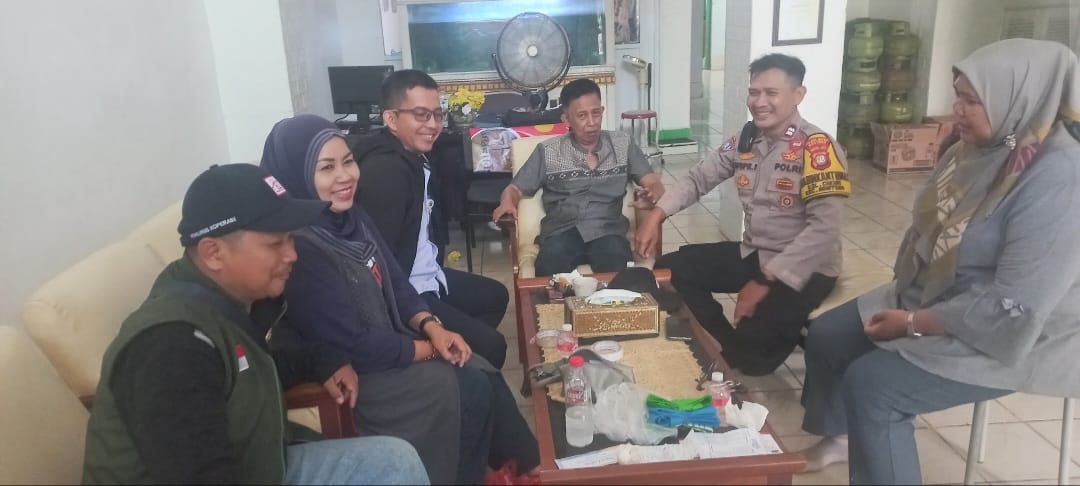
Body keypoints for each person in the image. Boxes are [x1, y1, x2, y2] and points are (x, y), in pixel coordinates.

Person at [798, 39, 1080, 485]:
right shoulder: (978, 148)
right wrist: (912, 302)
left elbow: (1016, 303)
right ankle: (843, 438)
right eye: (957, 96)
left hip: (1019, 330)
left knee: (874, 387)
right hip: (938, 292)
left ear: (1018, 98)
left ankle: (872, 433)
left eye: (972, 100)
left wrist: (914, 322)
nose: (957, 110)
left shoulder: (1059, 178)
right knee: (828, 336)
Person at [81, 163, 428, 485]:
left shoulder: (225, 300)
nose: (292, 255)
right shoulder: (171, 349)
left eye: (291, 238)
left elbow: (240, 373)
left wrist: (319, 359)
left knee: (396, 462)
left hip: (259, 461)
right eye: (275, 243)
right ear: (213, 253)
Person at [260, 114, 540, 484]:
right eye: (327, 168)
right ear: (296, 175)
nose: (344, 176)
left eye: (348, 162)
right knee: (467, 388)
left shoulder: (353, 218)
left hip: (387, 346)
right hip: (357, 376)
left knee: (481, 368)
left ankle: (527, 468)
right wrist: (431, 349)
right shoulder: (301, 248)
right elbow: (354, 346)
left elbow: (396, 281)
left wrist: (432, 326)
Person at [636, 53, 846, 376]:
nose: (759, 102)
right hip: (755, 252)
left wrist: (763, 283)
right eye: (753, 92)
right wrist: (656, 216)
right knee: (672, 271)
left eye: (771, 93)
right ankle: (730, 343)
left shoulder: (817, 148)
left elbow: (825, 231)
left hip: (804, 267)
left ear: (798, 95)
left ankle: (753, 343)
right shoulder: (746, 141)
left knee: (754, 364)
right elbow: (698, 179)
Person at [352, 69, 510, 369]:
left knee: (495, 296)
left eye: (438, 115)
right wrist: (422, 319)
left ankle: (454, 363)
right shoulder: (386, 173)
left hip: (427, 274)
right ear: (391, 119)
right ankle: (448, 365)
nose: (433, 125)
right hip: (406, 293)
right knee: (493, 345)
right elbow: (381, 265)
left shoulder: (412, 156)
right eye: (421, 115)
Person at [492, 78, 665, 276]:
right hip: (561, 231)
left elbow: (653, 182)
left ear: (602, 111)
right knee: (549, 267)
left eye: (596, 113)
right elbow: (515, 188)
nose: (591, 123)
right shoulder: (548, 151)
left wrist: (652, 193)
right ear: (566, 119)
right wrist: (507, 200)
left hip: (608, 230)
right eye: (582, 116)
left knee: (618, 268)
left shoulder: (623, 144)